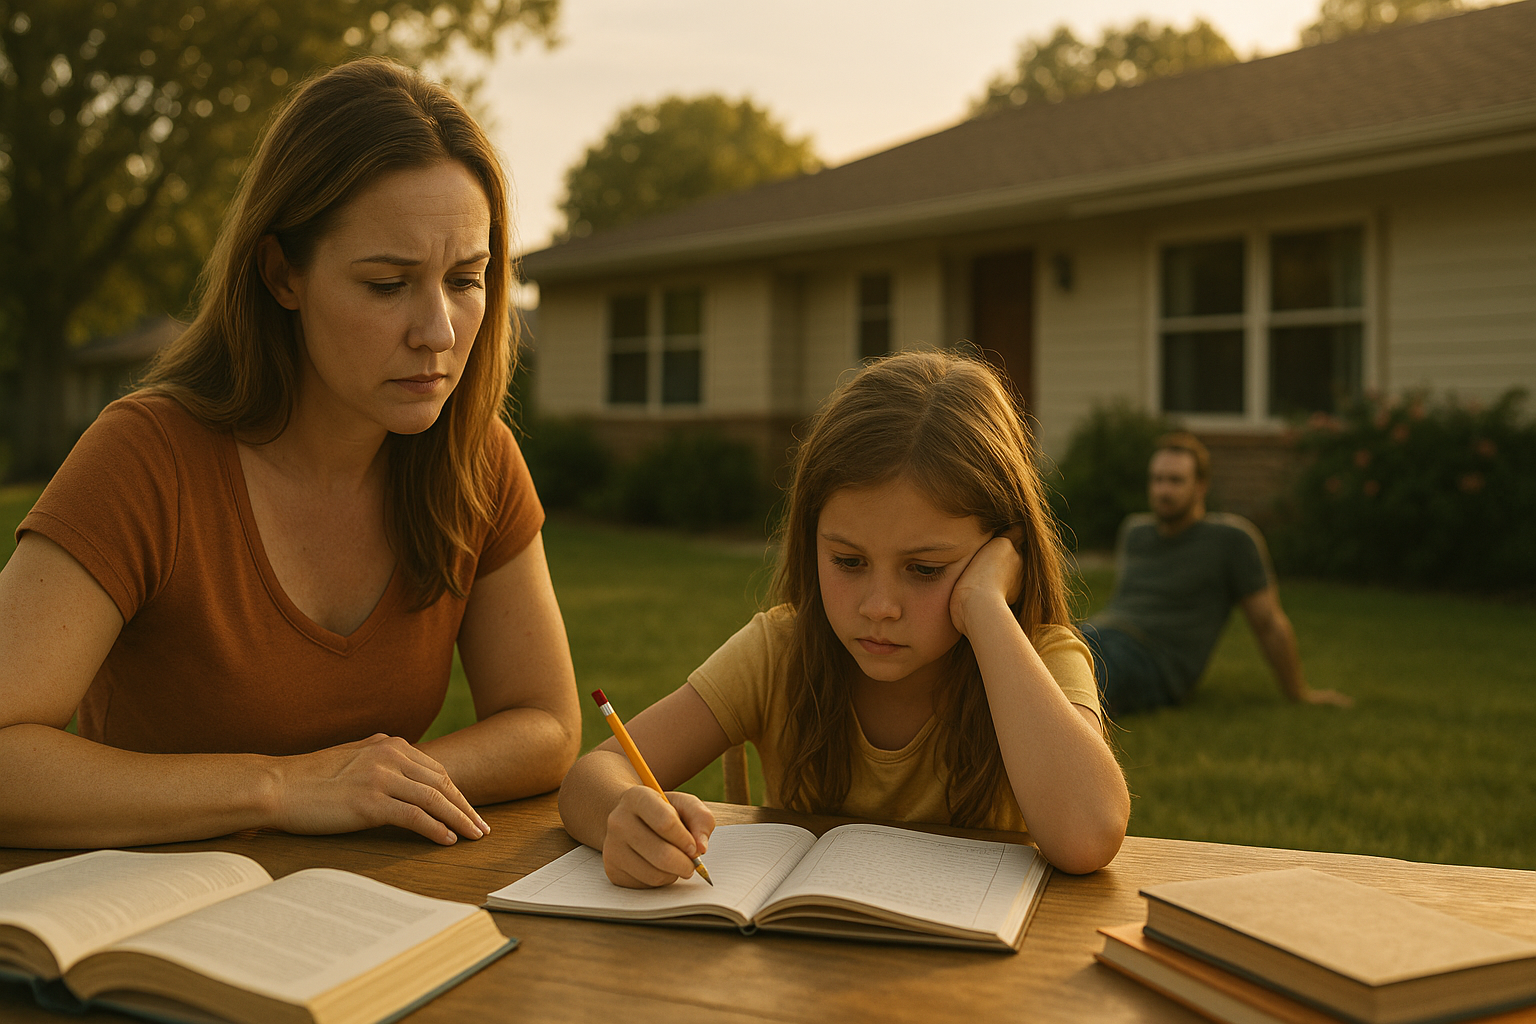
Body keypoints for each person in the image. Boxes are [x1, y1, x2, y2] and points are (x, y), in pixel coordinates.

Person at [0, 59, 581, 849]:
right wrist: (285, 787)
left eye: (467, 279)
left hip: (356, 921)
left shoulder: (477, 459)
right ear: (282, 275)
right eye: (386, 284)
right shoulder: (147, 458)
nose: (439, 332)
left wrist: (384, 782)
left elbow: (546, 723)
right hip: (142, 928)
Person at [558, 351, 1130, 882]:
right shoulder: (779, 652)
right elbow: (589, 779)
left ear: (1001, 552)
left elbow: (1088, 834)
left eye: (925, 569)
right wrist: (622, 814)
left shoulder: (1039, 658)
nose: (879, 606)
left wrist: (984, 607)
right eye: (848, 561)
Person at [1082, 432, 1353, 717]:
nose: (1163, 490)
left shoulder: (1231, 540)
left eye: (1175, 481)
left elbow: (1268, 622)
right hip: (1098, 633)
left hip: (1155, 659)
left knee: (1081, 674)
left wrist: (1298, 693)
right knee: (1047, 646)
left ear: (1201, 486)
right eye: (1157, 479)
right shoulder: (1135, 532)